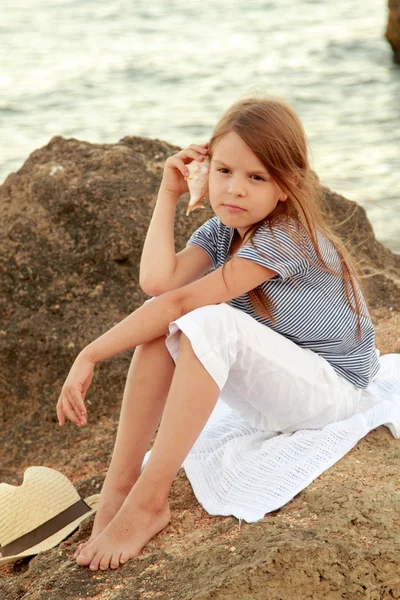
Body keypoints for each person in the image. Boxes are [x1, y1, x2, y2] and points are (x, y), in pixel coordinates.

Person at [56, 95, 380, 571]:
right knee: (162, 318)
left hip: (332, 393)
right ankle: (121, 486)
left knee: (204, 318)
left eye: (257, 177)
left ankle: (149, 500)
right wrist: (168, 193)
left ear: (286, 186)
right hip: (279, 389)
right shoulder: (222, 231)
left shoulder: (287, 236)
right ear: (206, 167)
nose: (236, 189)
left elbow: (183, 301)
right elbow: (158, 283)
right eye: (224, 171)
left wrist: (90, 353)